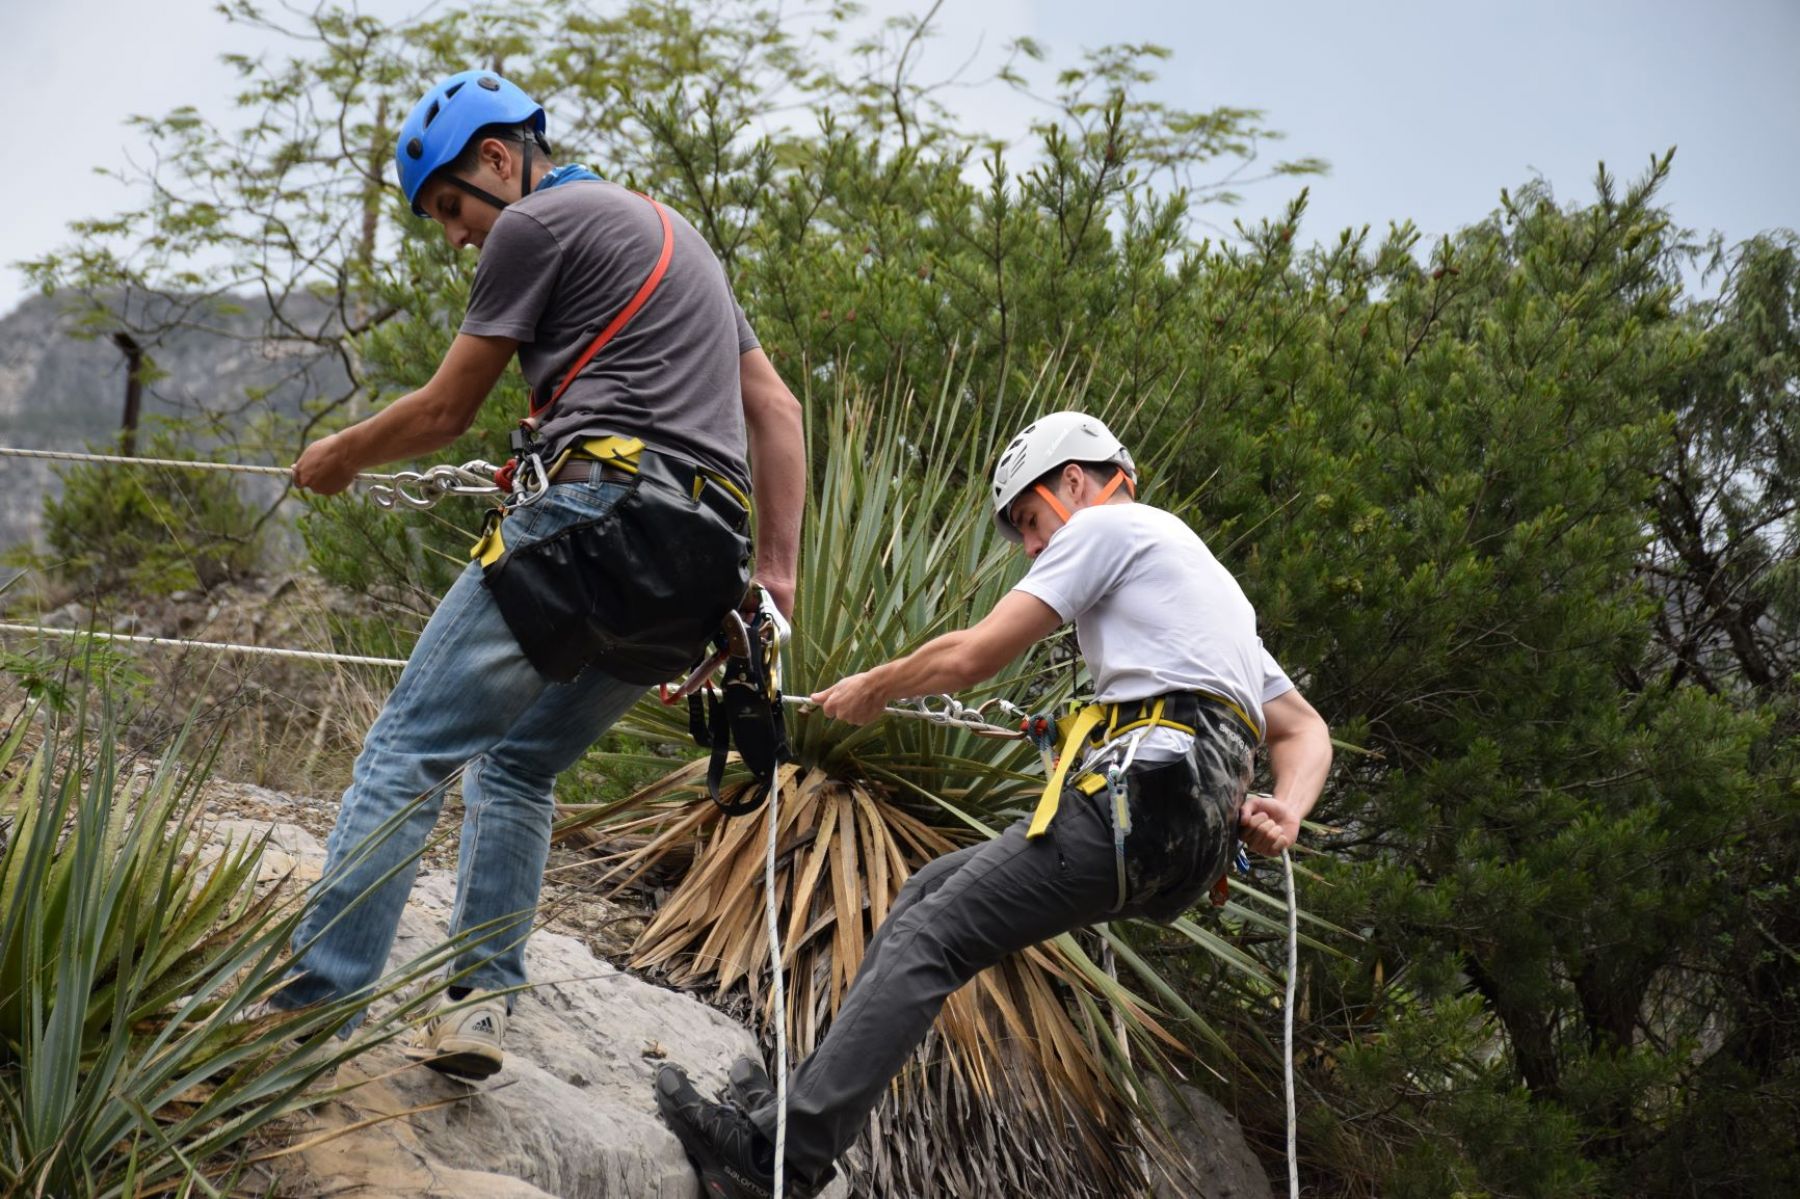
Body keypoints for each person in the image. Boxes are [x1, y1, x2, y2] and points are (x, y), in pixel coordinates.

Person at [654, 411, 1330, 1198]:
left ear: (1076, 480)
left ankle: (782, 1159)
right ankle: (795, 1117)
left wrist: (877, 683)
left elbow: (976, 652)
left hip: (1144, 794)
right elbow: (1303, 728)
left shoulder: (1106, 528)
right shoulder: (1203, 578)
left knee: (937, 935)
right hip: (1188, 834)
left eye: (1032, 521)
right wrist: (1288, 806)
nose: (1035, 545)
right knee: (926, 894)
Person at [282, 69, 805, 1079]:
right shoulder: (677, 238)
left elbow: (444, 410)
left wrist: (341, 453)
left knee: (406, 748)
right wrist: (771, 585)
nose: (454, 237)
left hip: (594, 519)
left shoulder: (535, 224)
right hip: (701, 567)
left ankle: (310, 1007)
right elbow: (774, 411)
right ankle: (481, 1007)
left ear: (496, 157)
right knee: (517, 761)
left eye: (449, 207)